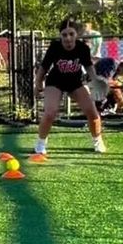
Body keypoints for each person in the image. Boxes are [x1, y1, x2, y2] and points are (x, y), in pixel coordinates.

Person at [34, 17, 106, 154]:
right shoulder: (55, 47)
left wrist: (96, 81)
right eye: (64, 34)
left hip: (75, 82)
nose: (68, 38)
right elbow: (43, 68)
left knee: (92, 111)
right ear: (60, 35)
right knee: (50, 112)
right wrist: (37, 84)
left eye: (71, 34)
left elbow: (89, 68)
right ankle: (40, 142)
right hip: (55, 82)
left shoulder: (82, 48)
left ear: (76, 35)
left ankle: (97, 140)